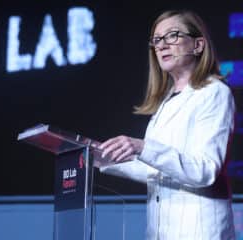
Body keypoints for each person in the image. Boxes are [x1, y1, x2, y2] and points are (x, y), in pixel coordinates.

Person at [95, 10, 236, 239]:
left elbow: (205, 170)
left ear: (198, 45)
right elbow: (157, 170)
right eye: (157, 40)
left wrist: (141, 147)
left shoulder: (215, 93)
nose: (161, 45)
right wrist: (100, 158)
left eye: (172, 35)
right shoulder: (167, 101)